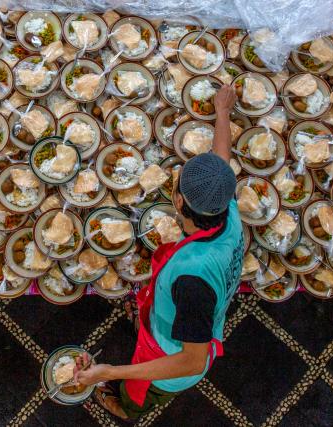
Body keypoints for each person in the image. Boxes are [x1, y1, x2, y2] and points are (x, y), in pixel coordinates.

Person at [73, 85, 245, 420]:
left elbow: (191, 359)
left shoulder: (192, 280)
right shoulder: (227, 211)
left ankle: (123, 408)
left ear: (179, 202)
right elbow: (221, 163)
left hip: (171, 358)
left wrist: (107, 373)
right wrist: (223, 111)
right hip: (172, 320)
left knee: (140, 393)